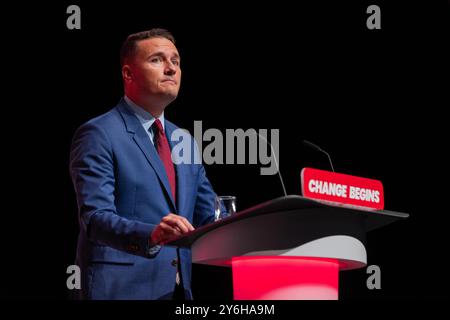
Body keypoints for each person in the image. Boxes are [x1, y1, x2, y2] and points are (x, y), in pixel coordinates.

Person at [69, 28, 216, 300]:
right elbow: (95, 219)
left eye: (176, 61)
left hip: (177, 292)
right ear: (128, 74)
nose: (171, 68)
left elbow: (210, 217)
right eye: (157, 60)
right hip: (119, 289)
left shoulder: (184, 140)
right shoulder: (99, 133)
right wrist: (153, 234)